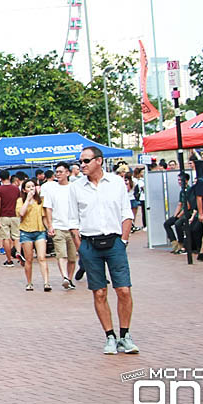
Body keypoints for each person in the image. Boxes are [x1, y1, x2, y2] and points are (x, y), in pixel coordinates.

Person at [67, 146, 139, 355]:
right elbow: (73, 219)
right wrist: (81, 247)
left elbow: (127, 213)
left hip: (115, 242)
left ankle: (125, 335)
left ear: (98, 161)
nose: (82, 165)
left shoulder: (116, 183)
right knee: (99, 292)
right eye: (81, 161)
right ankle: (109, 336)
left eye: (86, 161)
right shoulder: (76, 187)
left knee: (123, 289)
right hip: (90, 243)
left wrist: (123, 240)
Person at [43, 162, 78, 289]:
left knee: (72, 257)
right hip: (58, 226)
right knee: (61, 254)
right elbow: (48, 208)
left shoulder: (74, 188)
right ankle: (64, 276)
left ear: (67, 173)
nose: (58, 174)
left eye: (60, 172)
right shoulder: (51, 189)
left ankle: (69, 278)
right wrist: (50, 225)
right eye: (56, 172)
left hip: (73, 227)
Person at [17, 180, 49, 292]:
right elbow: (21, 213)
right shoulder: (20, 200)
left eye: (33, 186)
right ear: (24, 190)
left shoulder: (40, 201)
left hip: (40, 231)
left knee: (42, 257)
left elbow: (44, 216)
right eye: (28, 187)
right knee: (29, 259)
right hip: (26, 232)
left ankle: (46, 282)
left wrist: (49, 228)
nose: (31, 188)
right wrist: (28, 200)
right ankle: (29, 282)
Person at [0, 170, 22, 267]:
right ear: (9, 177)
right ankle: (18, 252)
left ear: (0, 178)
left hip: (3, 216)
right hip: (15, 216)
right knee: (17, 237)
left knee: (5, 238)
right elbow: (19, 202)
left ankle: (9, 259)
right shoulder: (16, 189)